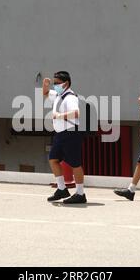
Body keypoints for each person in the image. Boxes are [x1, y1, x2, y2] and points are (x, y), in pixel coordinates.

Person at [42, 71, 86, 204]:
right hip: (60, 134)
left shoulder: (70, 97)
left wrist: (59, 116)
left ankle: (80, 193)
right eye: (54, 83)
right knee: (53, 159)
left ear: (65, 83)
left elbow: (76, 113)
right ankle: (62, 189)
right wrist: (45, 85)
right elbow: (45, 94)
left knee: (75, 164)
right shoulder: (58, 95)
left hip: (70, 133)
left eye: (57, 83)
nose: (55, 86)